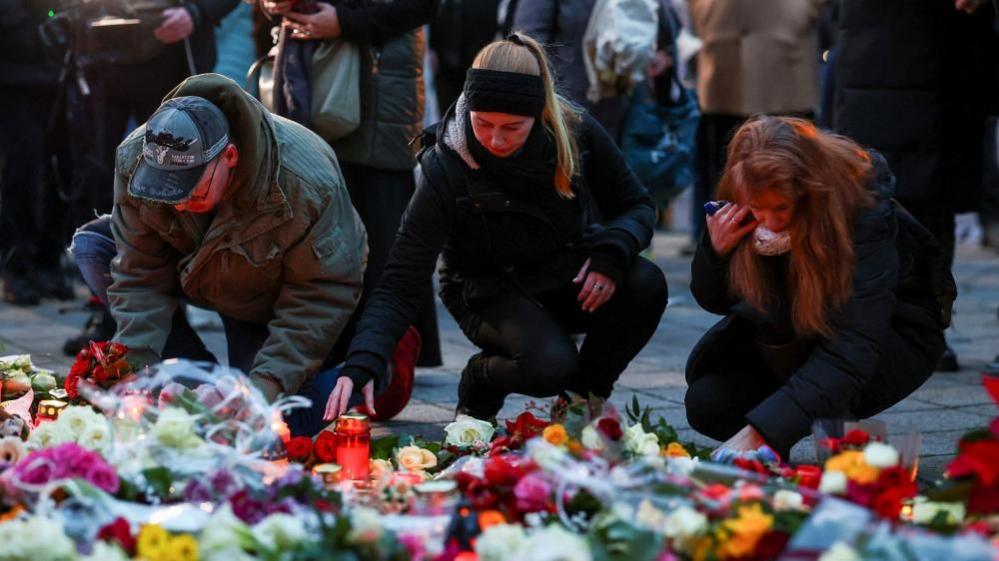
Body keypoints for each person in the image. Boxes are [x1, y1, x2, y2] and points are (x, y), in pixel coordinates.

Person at [324, 33, 668, 421]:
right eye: (483, 123)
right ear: (468, 106)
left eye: (512, 127)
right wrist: (363, 361)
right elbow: (401, 279)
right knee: (550, 365)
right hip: (485, 292)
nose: (495, 139)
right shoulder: (446, 164)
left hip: (563, 276)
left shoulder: (576, 132)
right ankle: (481, 380)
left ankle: (580, 401)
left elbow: (637, 205)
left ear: (539, 115)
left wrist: (612, 251)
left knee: (645, 283)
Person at [69, 73, 368, 436]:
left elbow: (321, 294)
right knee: (93, 246)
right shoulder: (138, 158)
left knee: (271, 424)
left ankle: (377, 364)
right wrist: (135, 366)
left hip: (270, 297)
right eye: (167, 190)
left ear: (229, 156)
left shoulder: (305, 181)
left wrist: (263, 386)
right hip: (197, 271)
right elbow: (139, 272)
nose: (177, 205)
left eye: (189, 189)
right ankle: (198, 379)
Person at [684, 116, 955, 459]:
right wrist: (717, 254)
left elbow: (854, 345)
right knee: (710, 403)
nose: (770, 222)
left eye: (781, 208)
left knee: (816, 378)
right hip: (798, 333)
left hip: (890, 339)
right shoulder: (748, 195)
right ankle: (804, 411)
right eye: (758, 209)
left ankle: (827, 417)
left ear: (809, 188)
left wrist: (759, 434)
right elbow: (717, 301)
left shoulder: (861, 208)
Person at [260, 0, 443, 369]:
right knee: (313, 224)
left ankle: (385, 357)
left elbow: (423, 6)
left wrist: (344, 22)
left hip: (379, 82)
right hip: (305, 75)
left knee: (382, 225)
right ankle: (324, 355)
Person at [62, 0, 240, 353]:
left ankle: (176, 321)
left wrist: (197, 13)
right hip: (102, 58)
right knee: (105, 189)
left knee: (182, 186)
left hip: (171, 61)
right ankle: (114, 319)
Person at [831, 0, 999, 371]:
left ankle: (889, 331)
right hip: (930, 65)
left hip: (878, 61)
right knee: (925, 209)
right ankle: (922, 332)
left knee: (879, 204)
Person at [684, 0, 825, 253]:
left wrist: (800, 11)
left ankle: (789, 244)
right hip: (723, 46)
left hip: (782, 48)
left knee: (789, 158)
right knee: (723, 161)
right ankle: (718, 241)